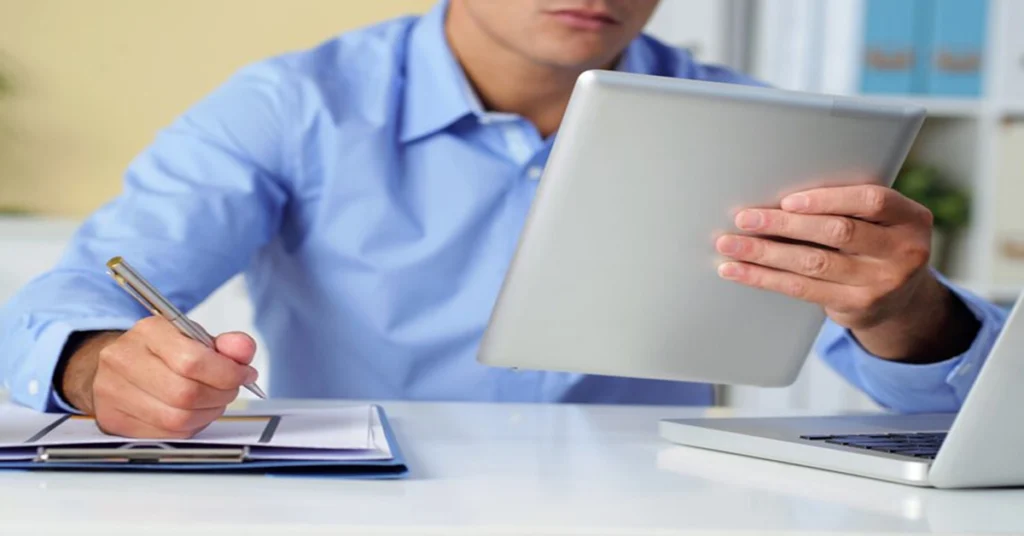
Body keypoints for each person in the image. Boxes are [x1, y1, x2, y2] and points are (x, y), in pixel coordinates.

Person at [0, 0, 1006, 439]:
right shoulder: (293, 103)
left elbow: (973, 400)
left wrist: (904, 311)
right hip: (357, 506)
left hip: (649, 508)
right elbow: (71, 290)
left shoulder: (750, 126)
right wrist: (97, 361)